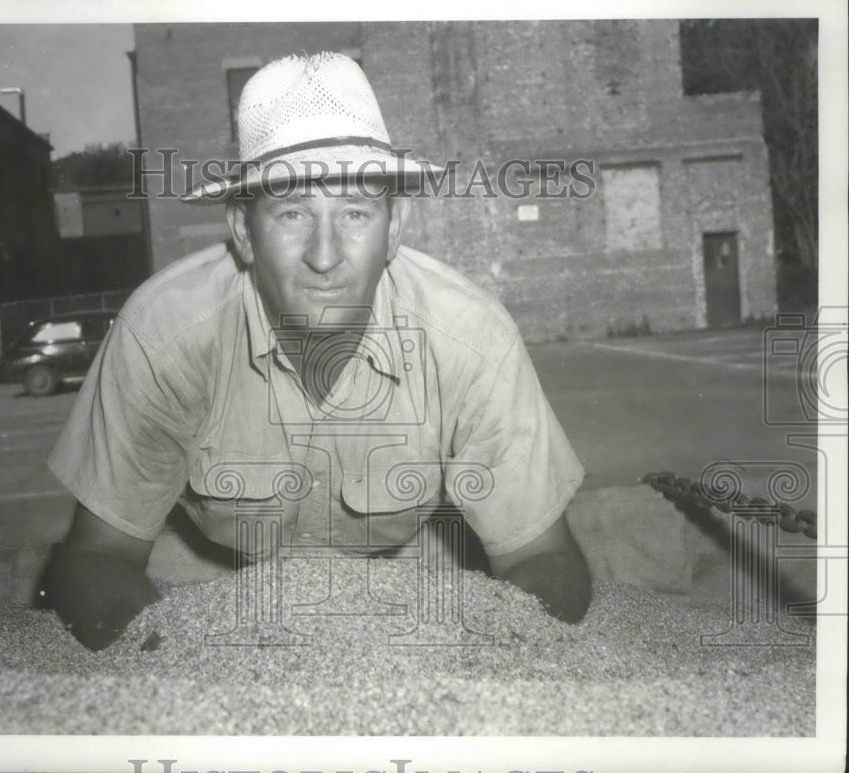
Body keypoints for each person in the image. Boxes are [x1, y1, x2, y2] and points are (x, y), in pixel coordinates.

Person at [42, 52, 591, 651]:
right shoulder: (164, 334)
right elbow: (98, 557)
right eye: (292, 212)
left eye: (355, 211)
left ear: (396, 225)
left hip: (414, 578)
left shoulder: (471, 338)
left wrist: (476, 664)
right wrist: (178, 666)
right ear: (244, 232)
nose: (325, 255)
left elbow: (545, 559)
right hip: (209, 581)